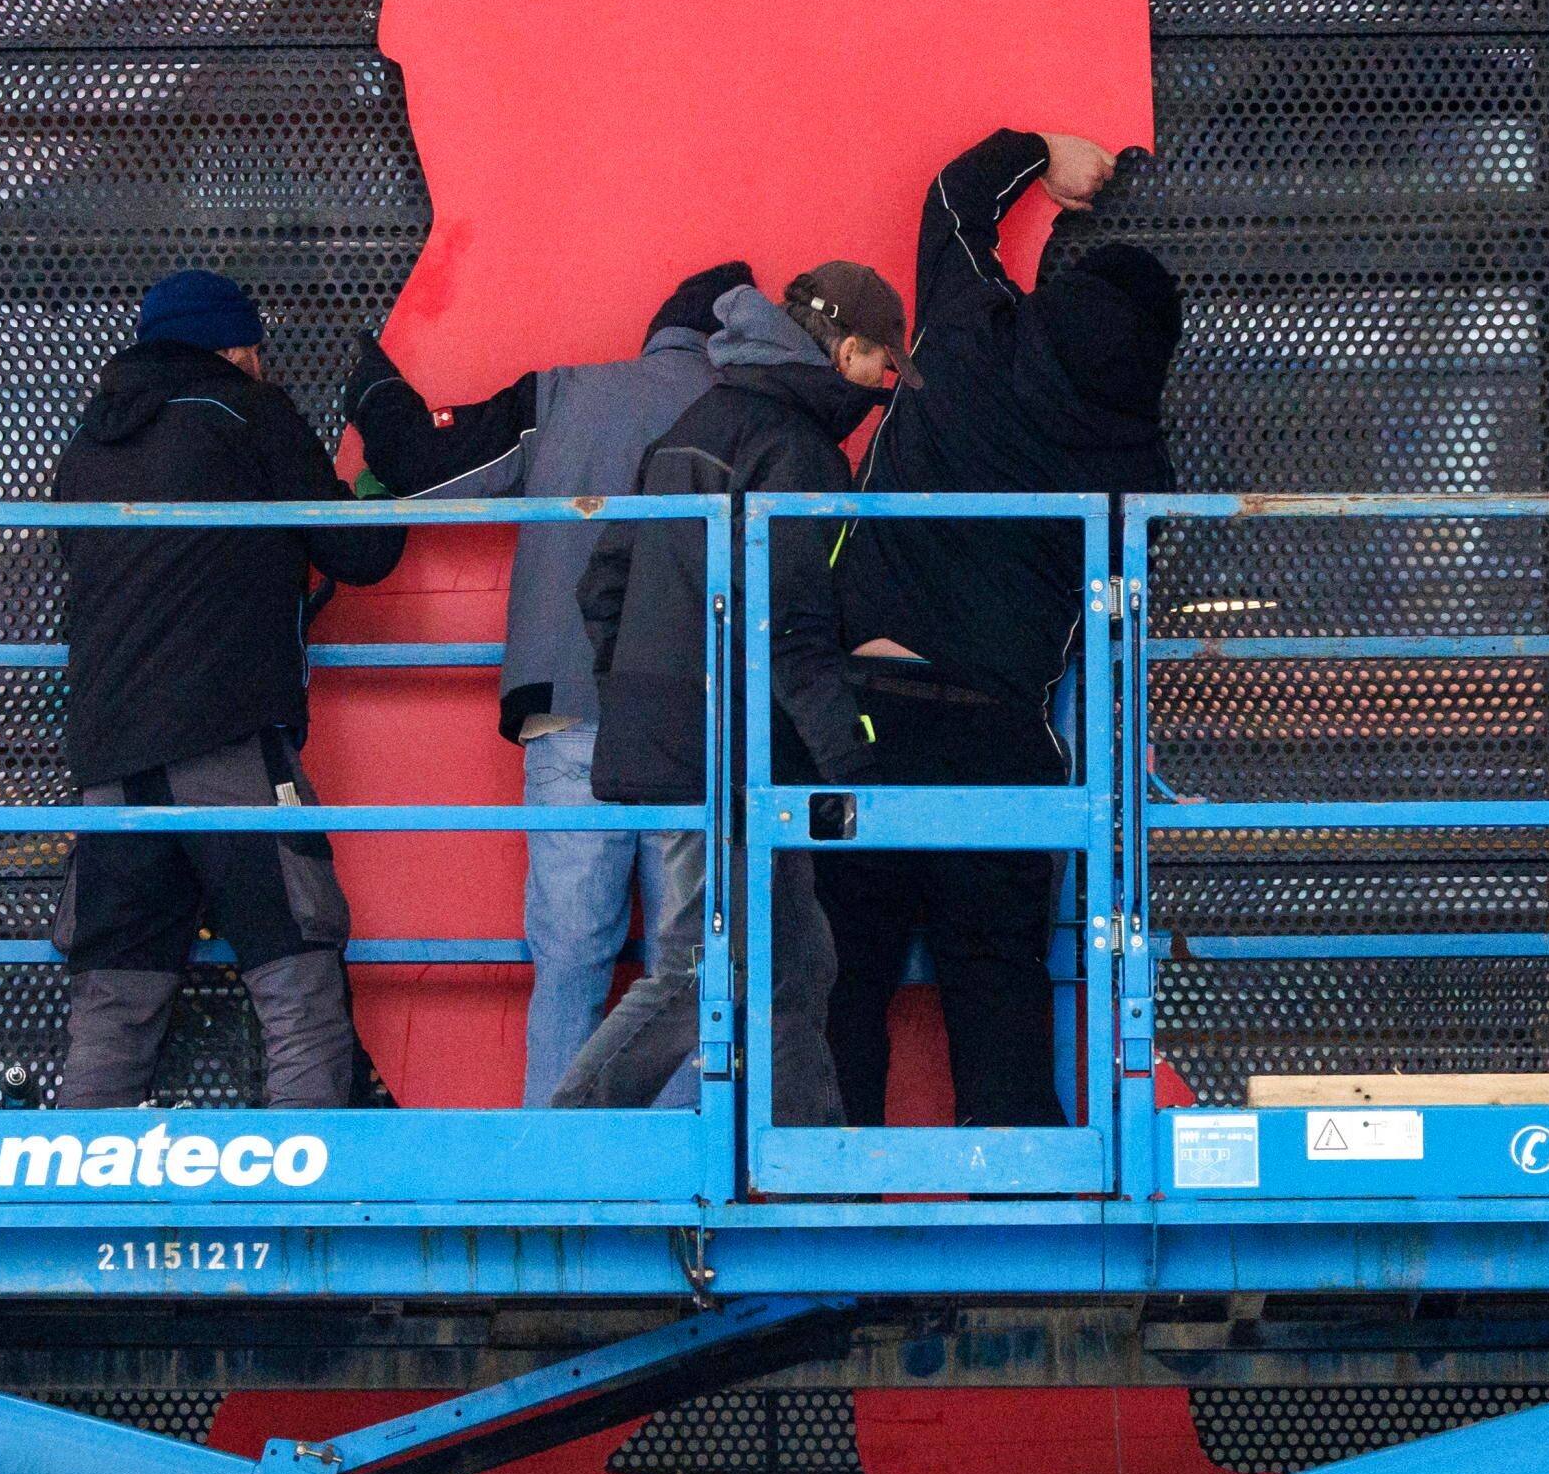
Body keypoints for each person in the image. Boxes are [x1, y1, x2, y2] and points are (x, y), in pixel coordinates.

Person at [824, 131, 1177, 1128]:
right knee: (998, 985)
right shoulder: (1133, 471)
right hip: (995, 734)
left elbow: (952, 198)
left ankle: (826, 1232)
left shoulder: (971, 328)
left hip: (857, 719)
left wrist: (1042, 152)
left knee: (843, 979)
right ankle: (1025, 1244)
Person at [346, 264, 751, 1104]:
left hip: (568, 710)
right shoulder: (752, 420)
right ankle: (677, 1185)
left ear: (658, 333)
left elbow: (429, 469)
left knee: (570, 963)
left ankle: (555, 1165)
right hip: (697, 725)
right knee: (687, 974)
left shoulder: (567, 393)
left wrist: (375, 387)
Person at [548, 264, 908, 1124]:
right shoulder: (798, 451)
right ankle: (573, 1125)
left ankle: (810, 1163)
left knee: (789, 961)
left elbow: (606, 585)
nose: (882, 389)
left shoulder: (698, 422)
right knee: (706, 967)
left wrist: (647, 688)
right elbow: (793, 626)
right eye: (882, 368)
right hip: (738, 746)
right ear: (848, 351)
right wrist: (854, 762)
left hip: (686, 734)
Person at [46, 269, 404, 1109]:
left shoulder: (88, 445)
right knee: (298, 980)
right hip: (228, 737)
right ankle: (304, 1214)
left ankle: (69, 1218)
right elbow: (359, 552)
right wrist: (380, 489)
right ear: (237, 347)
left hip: (111, 760)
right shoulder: (249, 411)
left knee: (116, 1004)